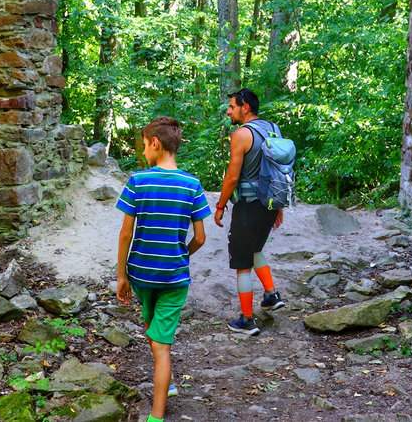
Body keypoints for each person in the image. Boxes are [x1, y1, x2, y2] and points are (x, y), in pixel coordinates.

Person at [116, 116, 210, 422]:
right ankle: (165, 384)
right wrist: (182, 253)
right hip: (174, 276)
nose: (143, 152)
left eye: (144, 145)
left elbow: (126, 234)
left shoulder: (138, 182)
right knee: (161, 340)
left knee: (157, 342)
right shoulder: (192, 185)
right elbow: (200, 237)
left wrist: (121, 275)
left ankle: (156, 417)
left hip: (141, 274)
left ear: (155, 143)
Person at [213, 88, 286, 336]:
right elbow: (279, 170)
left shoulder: (242, 134)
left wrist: (221, 205)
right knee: (255, 249)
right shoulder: (274, 129)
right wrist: (278, 206)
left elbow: (233, 176)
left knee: (242, 263)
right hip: (269, 203)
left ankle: (246, 319)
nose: (228, 111)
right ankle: (271, 294)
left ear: (245, 107)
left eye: (232, 106)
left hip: (248, 205)